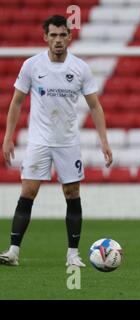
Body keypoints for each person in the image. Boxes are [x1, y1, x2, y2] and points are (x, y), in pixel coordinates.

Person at [0, 15, 112, 267]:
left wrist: (104, 140)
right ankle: (13, 251)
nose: (58, 40)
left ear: (69, 37)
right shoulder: (32, 65)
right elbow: (16, 102)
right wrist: (8, 137)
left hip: (67, 142)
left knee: (72, 194)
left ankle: (73, 255)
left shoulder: (80, 68)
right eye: (53, 35)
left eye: (63, 35)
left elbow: (95, 105)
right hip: (38, 141)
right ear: (45, 38)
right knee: (28, 191)